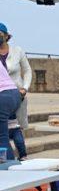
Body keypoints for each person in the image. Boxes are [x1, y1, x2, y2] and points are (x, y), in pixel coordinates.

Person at [0, 23, 30, 159]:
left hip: (8, 96)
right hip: (13, 95)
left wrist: (25, 88)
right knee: (11, 128)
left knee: (4, 135)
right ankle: (20, 157)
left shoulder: (17, 51)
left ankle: (11, 162)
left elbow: (27, 71)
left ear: (7, 36)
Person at [0, 58, 19, 161]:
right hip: (14, 94)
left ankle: (8, 166)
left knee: (2, 138)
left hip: (3, 96)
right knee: (4, 136)